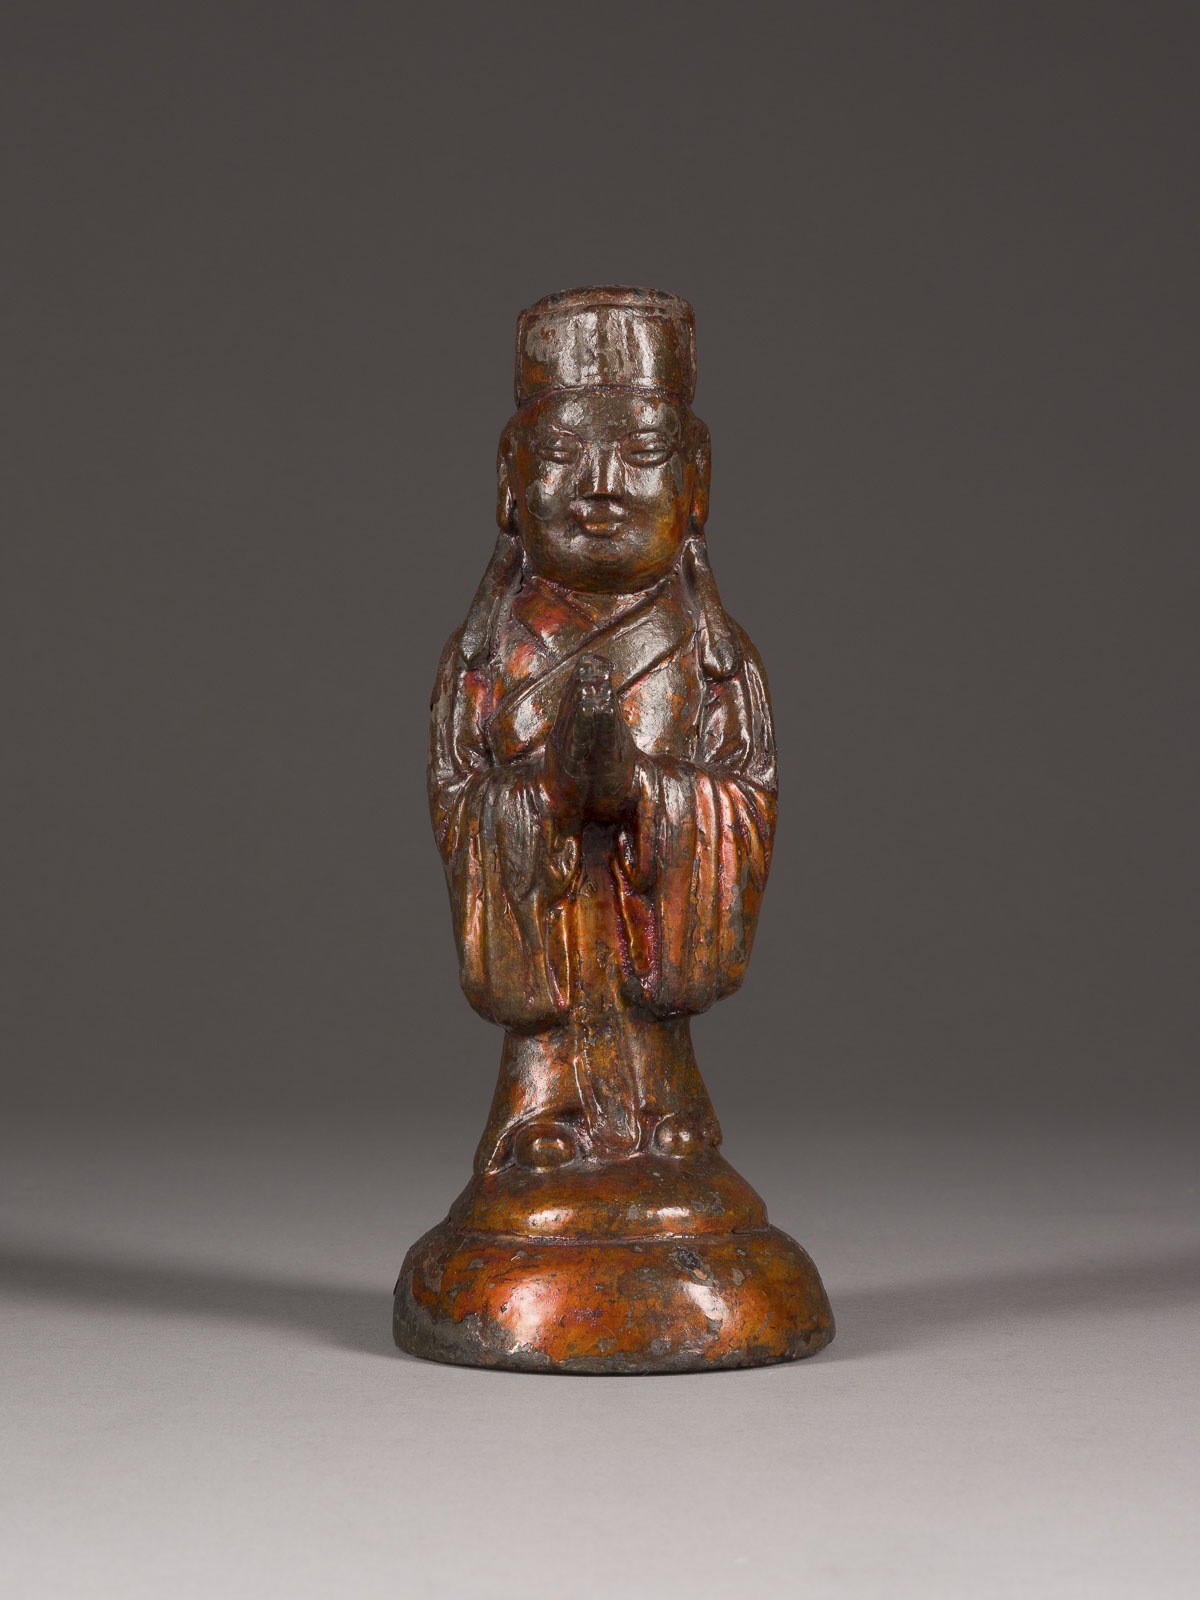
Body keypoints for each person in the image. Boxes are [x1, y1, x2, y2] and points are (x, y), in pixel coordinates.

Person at [428, 287, 778, 1174]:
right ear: (508, 477)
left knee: (667, 1103)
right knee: (543, 1068)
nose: (601, 486)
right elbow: (460, 803)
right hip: (550, 960)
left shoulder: (716, 657)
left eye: (643, 453)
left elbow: (745, 805)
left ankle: (664, 1103)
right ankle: (541, 1100)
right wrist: (543, 796)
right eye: (561, 453)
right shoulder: (485, 656)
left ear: (697, 477)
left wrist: (644, 793)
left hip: (646, 965)